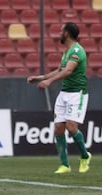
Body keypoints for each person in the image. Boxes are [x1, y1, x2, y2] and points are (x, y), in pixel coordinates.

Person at [27, 22, 91, 174]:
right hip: (64, 94)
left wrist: (49, 82)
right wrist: (39, 77)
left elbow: (68, 71)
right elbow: (59, 70)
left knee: (71, 127)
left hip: (77, 94)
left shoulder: (77, 51)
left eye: (61, 30)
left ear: (67, 33)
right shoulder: (66, 51)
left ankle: (85, 155)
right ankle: (65, 165)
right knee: (59, 129)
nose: (59, 33)